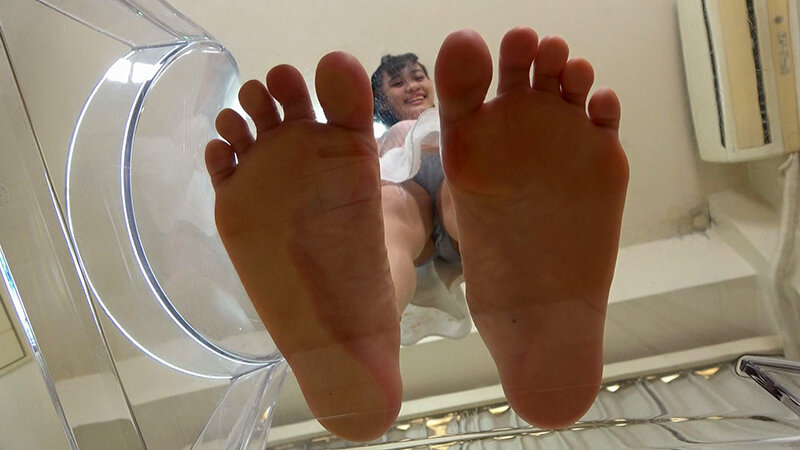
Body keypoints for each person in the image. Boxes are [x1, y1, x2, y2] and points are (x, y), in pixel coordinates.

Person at [205, 27, 629, 442]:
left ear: (431, 85)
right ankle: (365, 307)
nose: (411, 85)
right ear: (383, 100)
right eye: (397, 82)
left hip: (472, 203)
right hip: (423, 206)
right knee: (393, 211)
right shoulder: (382, 141)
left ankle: (367, 321)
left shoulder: (479, 132)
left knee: (449, 201)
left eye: (417, 76)